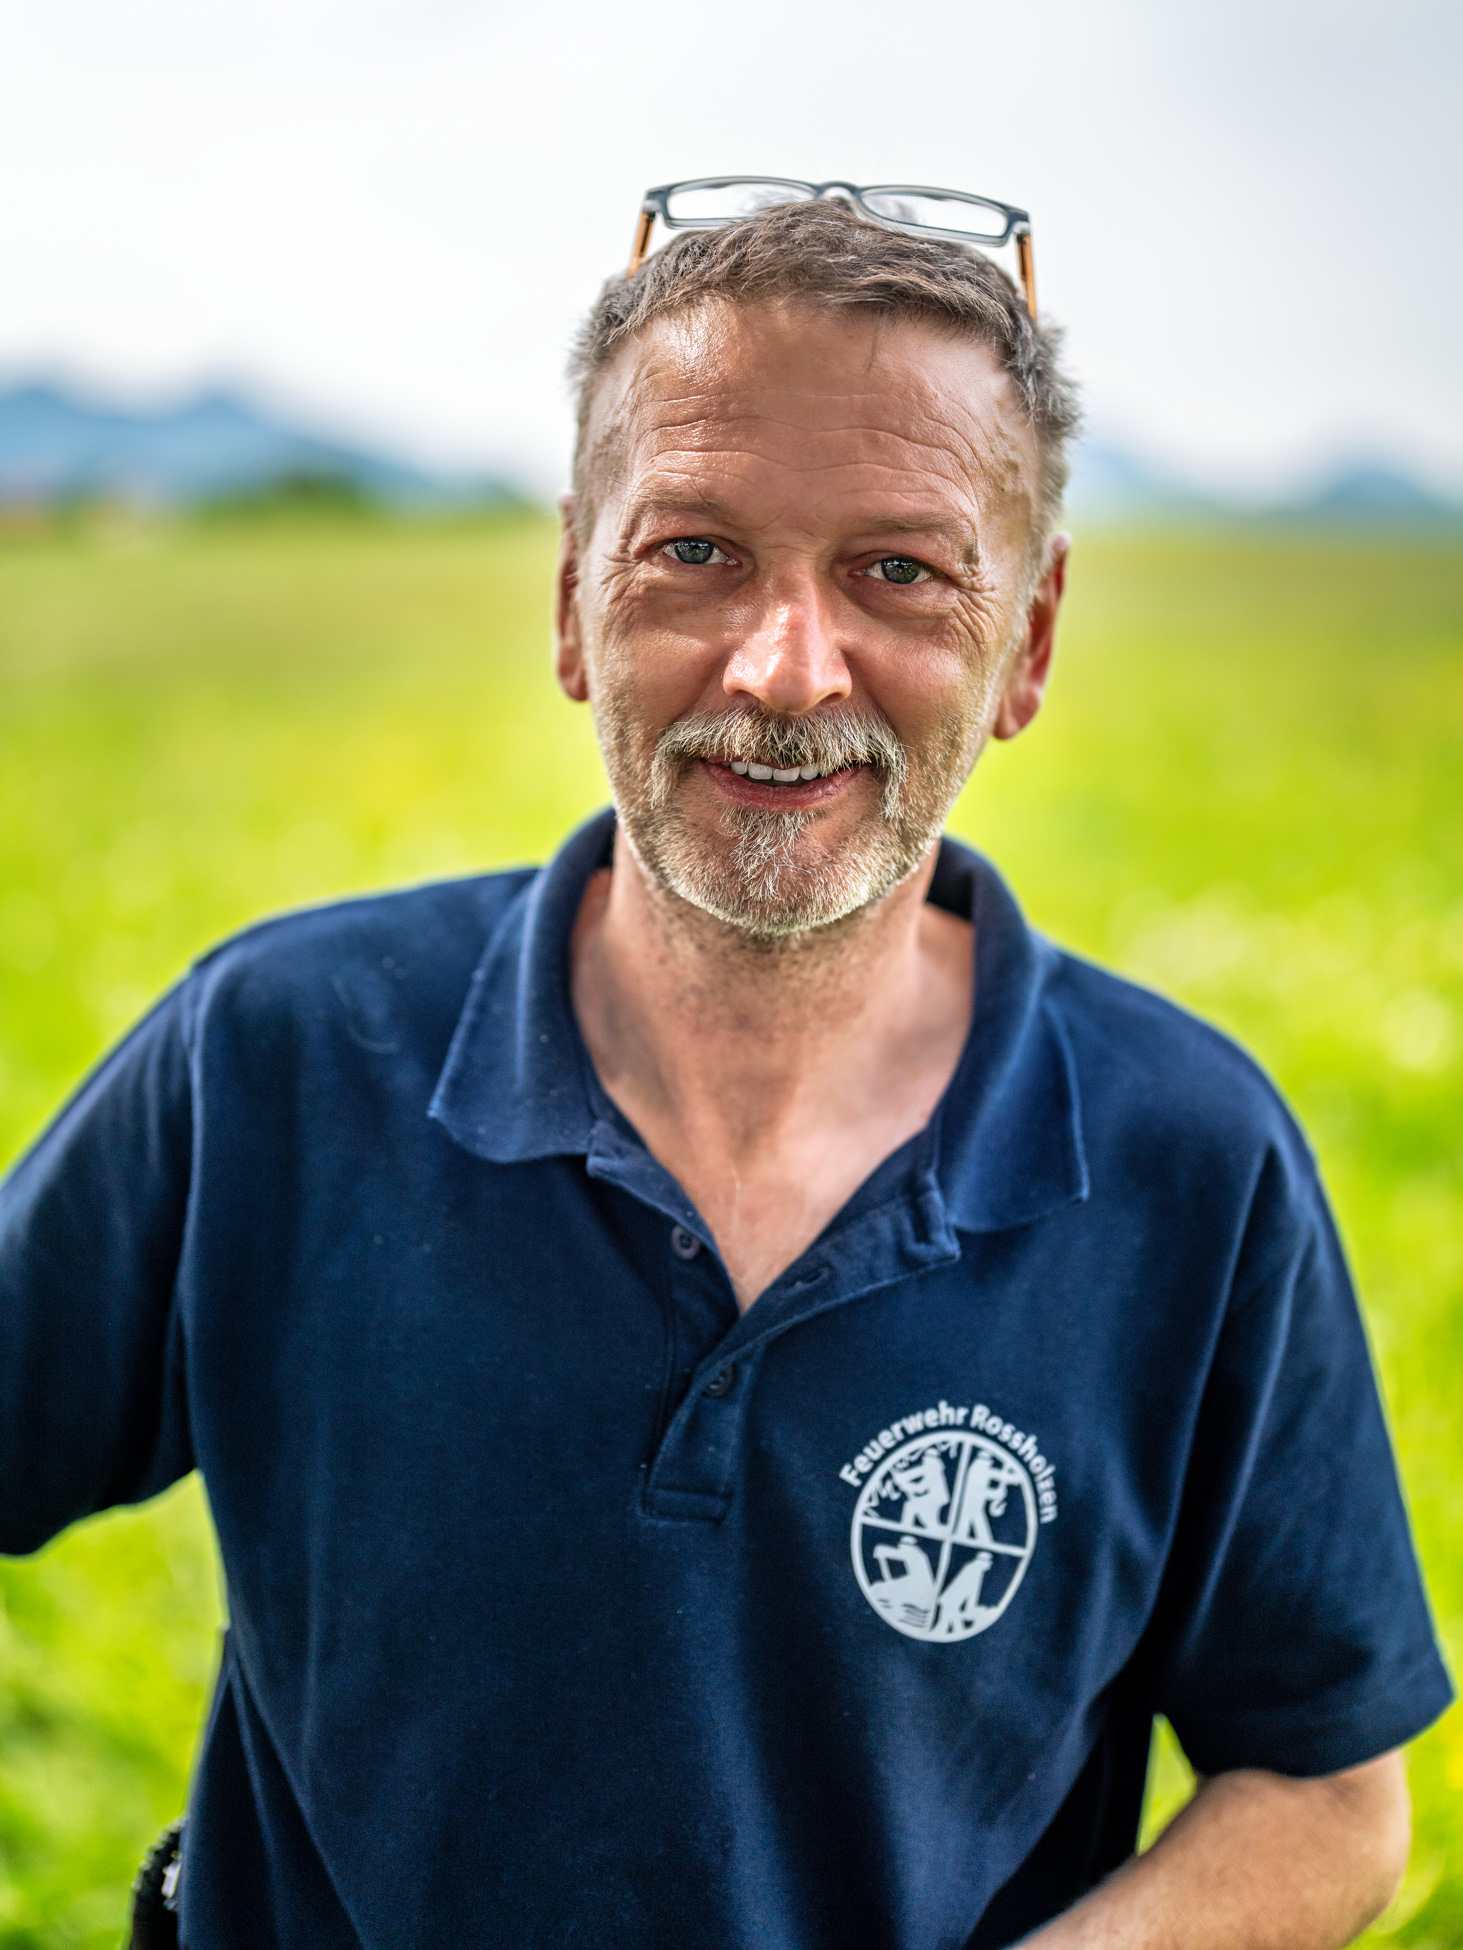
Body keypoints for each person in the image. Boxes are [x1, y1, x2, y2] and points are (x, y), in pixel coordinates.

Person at [0, 186, 1451, 1950]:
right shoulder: (279, 1055)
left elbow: (1327, 1790)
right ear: (571, 602)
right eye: (695, 551)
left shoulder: (1192, 1165)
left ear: (1030, 642)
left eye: (898, 570)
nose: (784, 668)